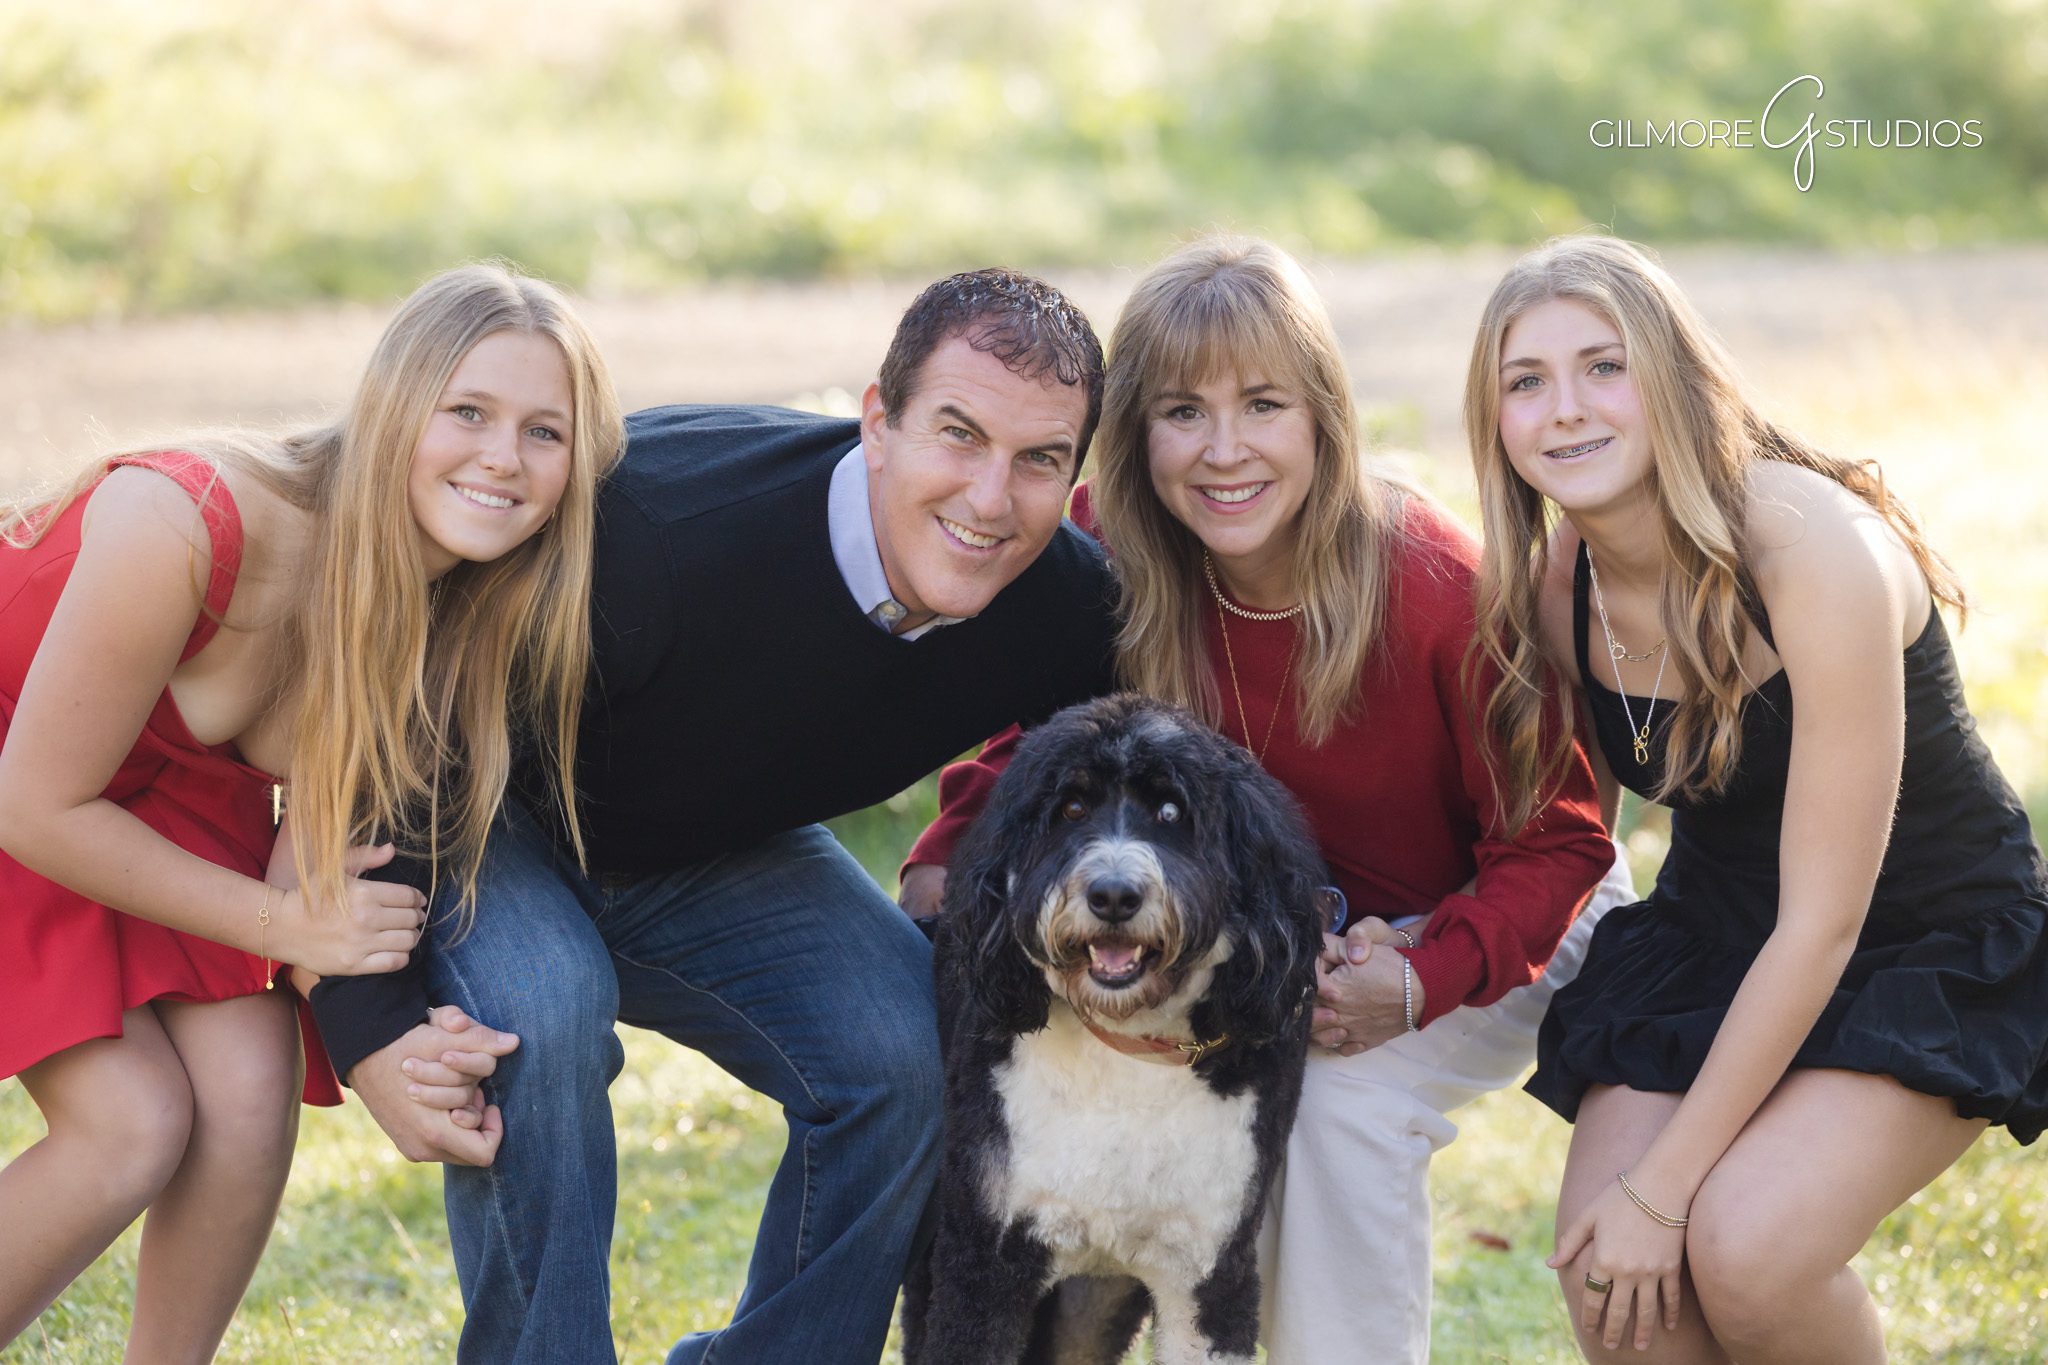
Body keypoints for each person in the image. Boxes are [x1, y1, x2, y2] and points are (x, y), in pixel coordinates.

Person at [306, 268, 1120, 1365]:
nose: (989, 497)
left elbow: (1128, 769)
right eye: (958, 434)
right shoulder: (661, 526)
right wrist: (369, 1024)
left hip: (711, 850)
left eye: (1039, 460)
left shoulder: (1062, 605)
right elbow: (401, 727)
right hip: (487, 815)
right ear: (878, 422)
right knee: (542, 1006)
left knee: (900, 1052)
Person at [898, 235, 1632, 1363]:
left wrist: (1419, 976)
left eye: (1263, 405)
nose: (1224, 451)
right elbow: (1041, 742)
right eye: (1182, 411)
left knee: (1334, 1103)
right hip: (1257, 928)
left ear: (1324, 417)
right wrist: (946, 855)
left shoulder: (1436, 587)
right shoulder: (1105, 550)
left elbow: (1559, 844)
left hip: (1498, 913)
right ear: (1134, 433)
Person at [0, 262, 624, 1359]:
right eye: (468, 412)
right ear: (392, 405)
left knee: (248, 1093)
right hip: (31, 777)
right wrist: (284, 925)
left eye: (545, 432)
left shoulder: (456, 614)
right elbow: (37, 805)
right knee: (132, 1121)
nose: (503, 457)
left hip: (157, 807)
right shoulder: (191, 520)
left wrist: (404, 1039)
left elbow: (320, 853)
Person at [1464, 234, 2048, 1361]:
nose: (1566, 408)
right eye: (1525, 381)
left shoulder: (1808, 550)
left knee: (1746, 1250)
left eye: (1603, 366)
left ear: (1674, 378)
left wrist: (1661, 1188)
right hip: (1714, 939)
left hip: (1919, 943)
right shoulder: (1559, 585)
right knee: (1607, 1281)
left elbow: (1824, 920)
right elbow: (1557, 829)